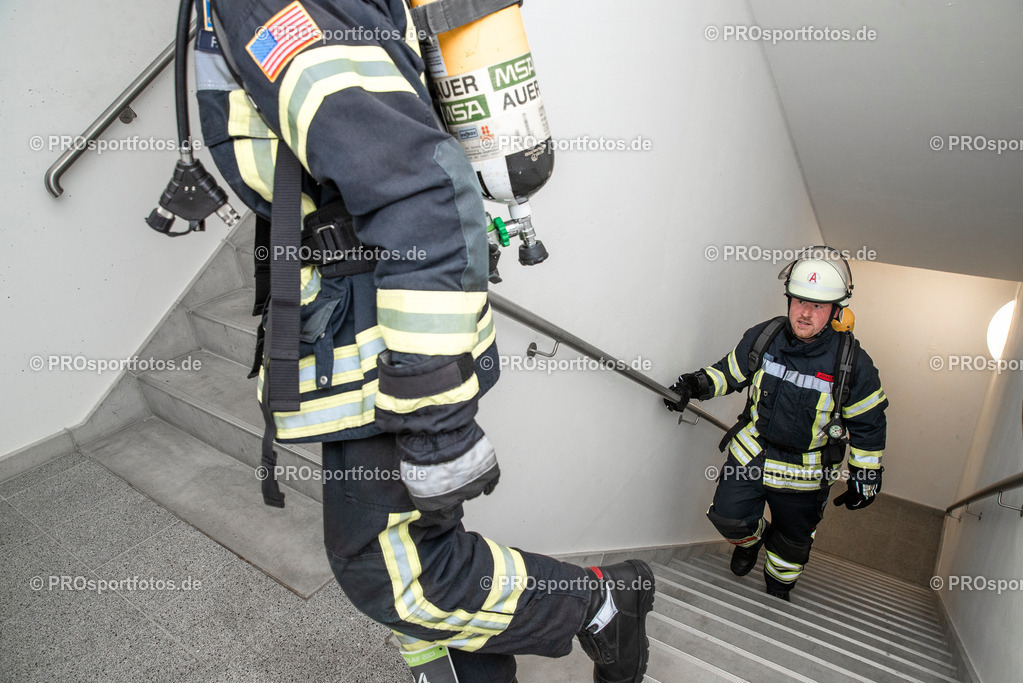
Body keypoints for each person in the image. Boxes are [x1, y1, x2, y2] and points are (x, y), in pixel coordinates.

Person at [192, 0, 654, 680]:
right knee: (415, 556)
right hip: (375, 325)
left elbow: (420, 190)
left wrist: (437, 426)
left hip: (389, 342)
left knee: (396, 576)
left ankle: (603, 601)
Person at [664, 249, 887, 601]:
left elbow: (869, 424)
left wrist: (866, 476)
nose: (805, 312)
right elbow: (729, 373)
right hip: (754, 452)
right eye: (799, 301)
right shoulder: (765, 336)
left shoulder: (853, 364)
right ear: (789, 300)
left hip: (806, 473)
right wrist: (694, 385)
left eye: (818, 305)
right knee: (728, 517)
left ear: (837, 311)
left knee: (789, 552)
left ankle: (777, 590)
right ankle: (752, 544)